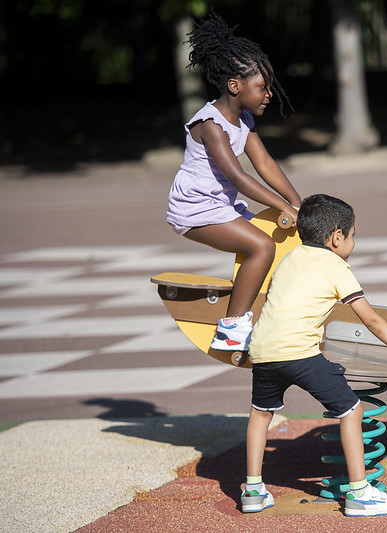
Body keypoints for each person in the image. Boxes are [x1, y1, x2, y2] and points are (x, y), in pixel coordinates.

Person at [241, 194, 387, 516]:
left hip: (262, 349)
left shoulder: (290, 258)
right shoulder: (336, 266)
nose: (353, 242)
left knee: (260, 413)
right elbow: (371, 320)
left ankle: (253, 490)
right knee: (351, 411)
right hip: (298, 353)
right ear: (336, 236)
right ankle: (359, 494)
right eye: (353, 234)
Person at [165, 12, 302, 352]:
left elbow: (264, 163)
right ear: (235, 86)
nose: (269, 93)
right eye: (263, 87)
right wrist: (281, 205)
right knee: (261, 246)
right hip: (195, 208)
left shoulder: (242, 120)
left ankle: (270, 306)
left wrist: (297, 202)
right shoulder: (210, 124)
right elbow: (237, 176)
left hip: (221, 205)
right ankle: (232, 328)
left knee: (273, 235)